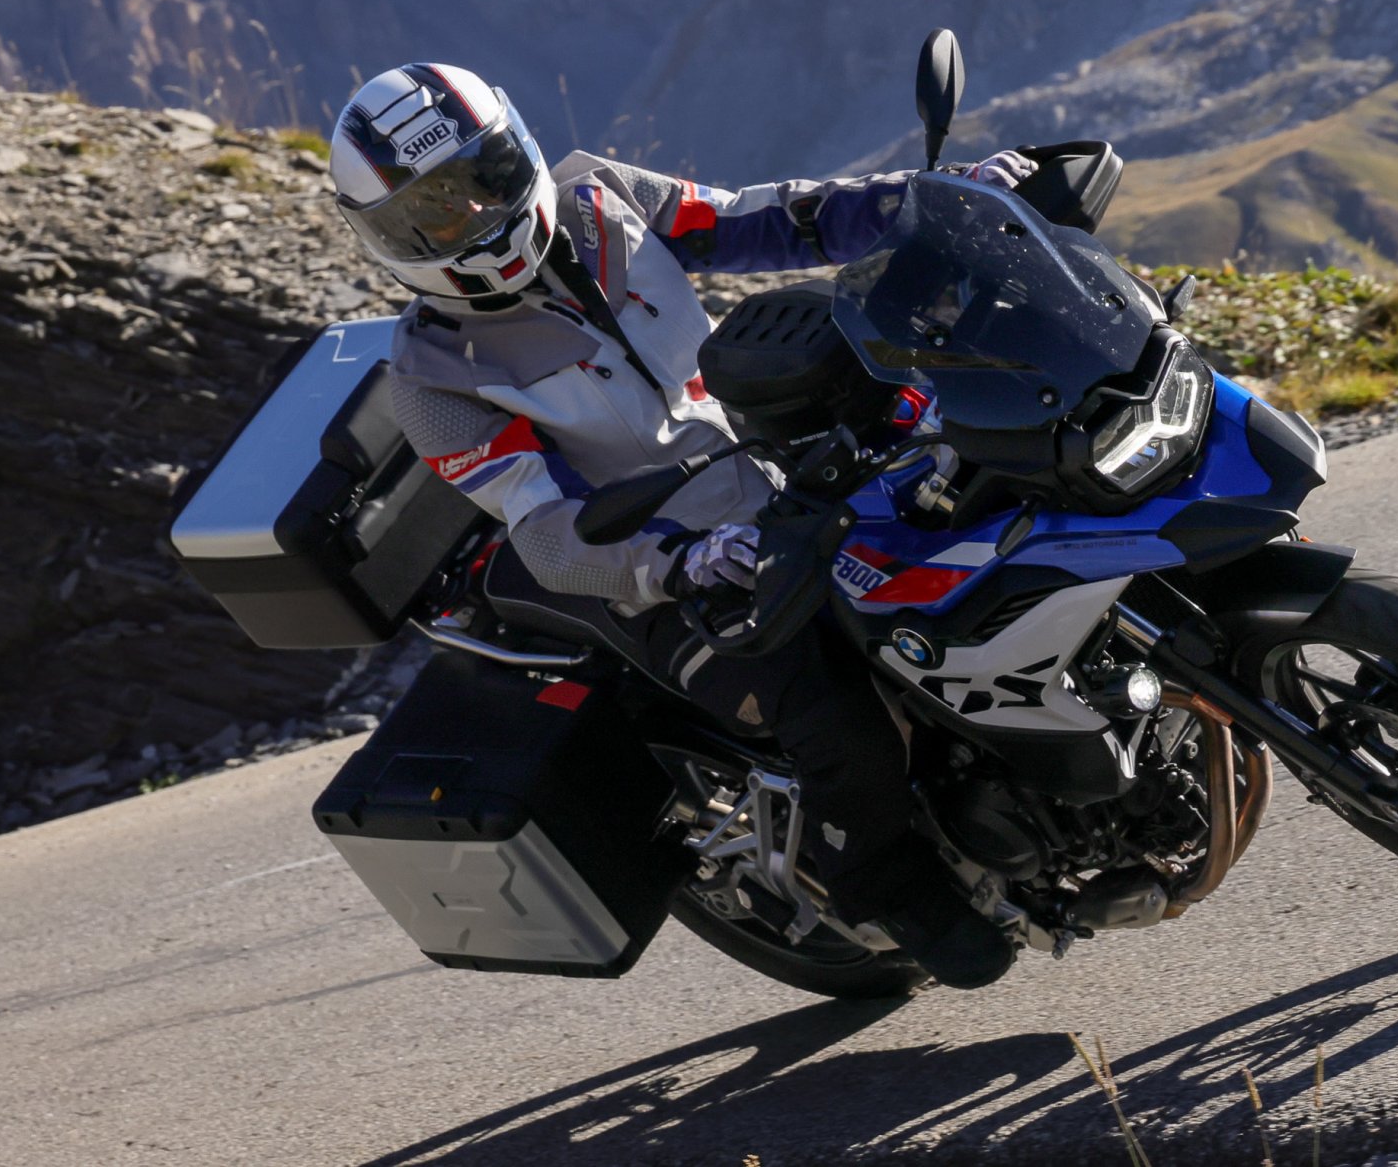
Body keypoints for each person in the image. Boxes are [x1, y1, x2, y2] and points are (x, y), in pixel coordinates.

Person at [325, 59, 1030, 988]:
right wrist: (682, 561)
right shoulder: (435, 376)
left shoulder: (601, 202)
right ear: (386, 234)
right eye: (435, 211)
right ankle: (883, 884)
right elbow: (544, 525)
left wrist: (932, 200)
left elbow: (770, 218)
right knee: (834, 710)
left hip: (770, 473)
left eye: (483, 177)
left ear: (519, 151)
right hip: (647, 570)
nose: (475, 214)